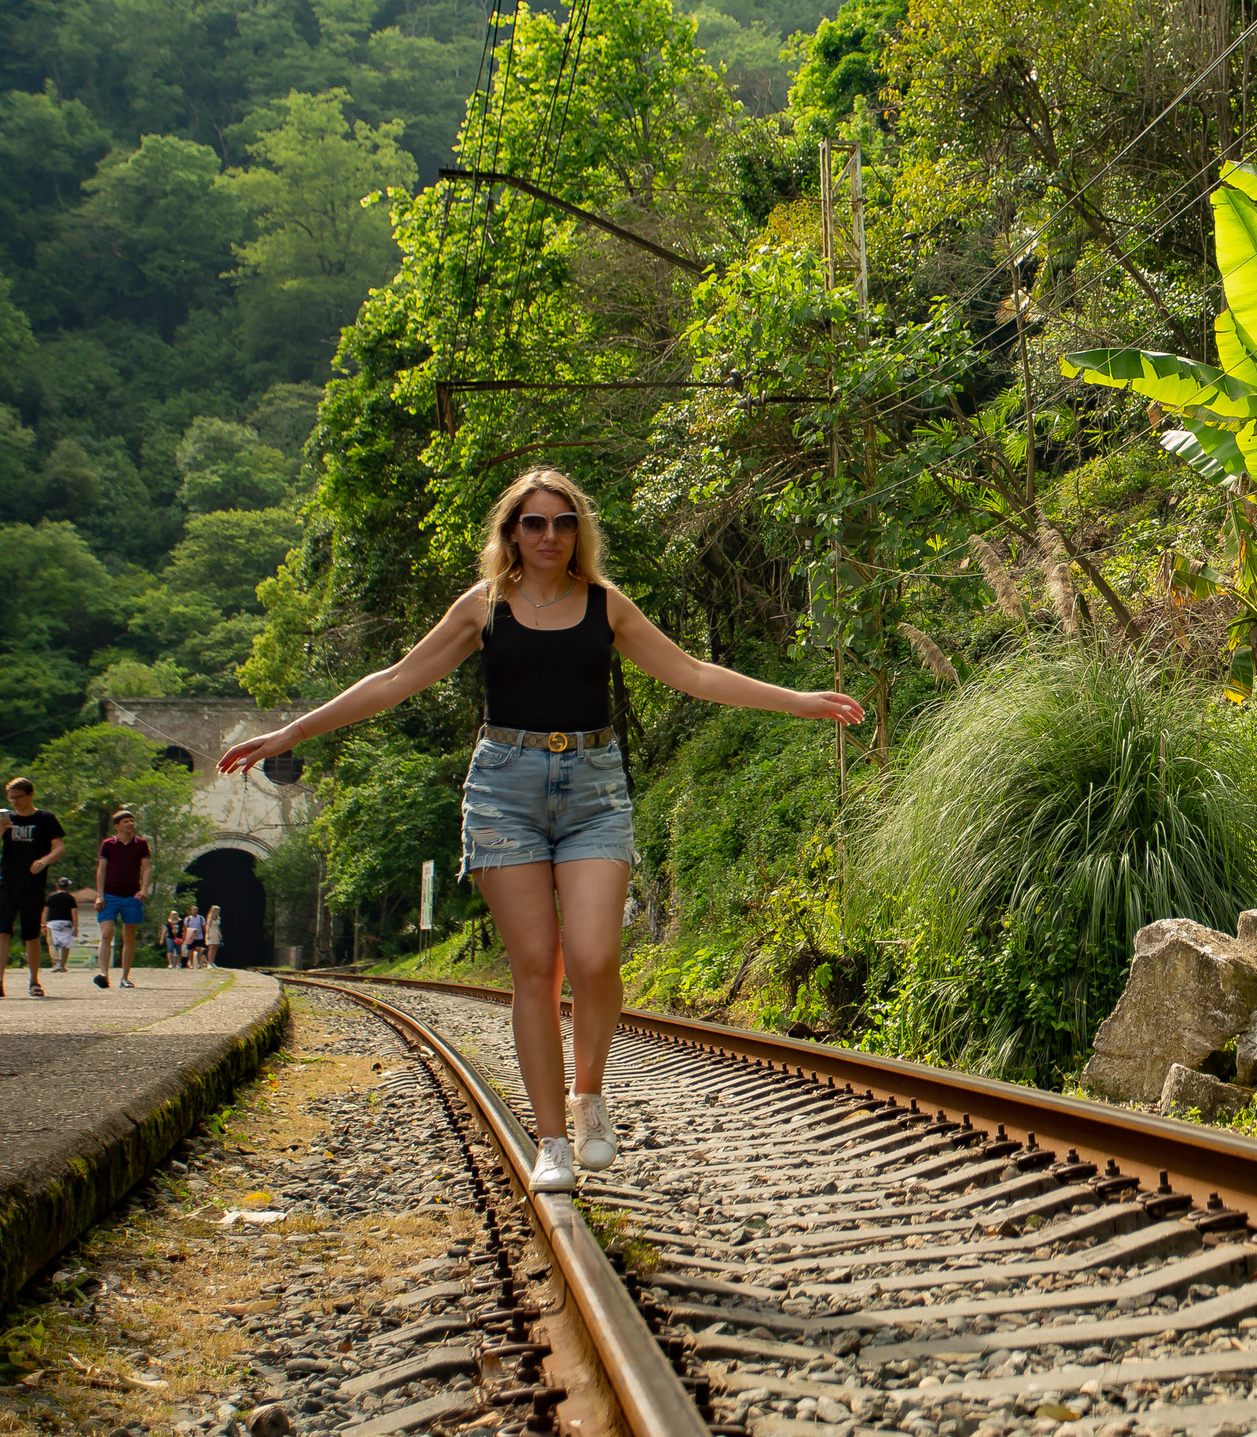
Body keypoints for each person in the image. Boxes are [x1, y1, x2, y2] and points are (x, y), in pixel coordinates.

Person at [219, 466, 862, 1193]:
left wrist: (800, 701)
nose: (549, 534)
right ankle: (550, 1138)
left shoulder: (605, 605)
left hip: (593, 789)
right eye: (534, 522)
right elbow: (395, 679)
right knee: (536, 970)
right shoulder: (482, 606)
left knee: (593, 958)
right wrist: (288, 733)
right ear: (511, 533)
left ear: (578, 530)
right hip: (503, 791)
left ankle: (589, 1096)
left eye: (562, 521)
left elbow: (693, 673)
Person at [3, 778, 67, 999]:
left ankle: (34, 980)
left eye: (18, 797)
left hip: (32, 884)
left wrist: (45, 861)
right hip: (7, 883)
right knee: (2, 932)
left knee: (30, 934)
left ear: (30, 795)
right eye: (11, 798)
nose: (14, 802)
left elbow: (59, 847)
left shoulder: (45, 818)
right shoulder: (6, 818)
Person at [94, 811, 151, 989]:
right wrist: (100, 894)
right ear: (117, 826)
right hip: (110, 895)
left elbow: (146, 868)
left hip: (131, 895)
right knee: (106, 933)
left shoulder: (141, 844)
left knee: (129, 937)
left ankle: (125, 977)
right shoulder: (108, 844)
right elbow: (101, 870)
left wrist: (144, 888)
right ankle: (104, 974)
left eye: (132, 821)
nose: (130, 823)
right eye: (126, 821)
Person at [44, 880, 75, 973]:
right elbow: (74, 913)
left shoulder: (51, 897)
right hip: (66, 922)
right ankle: (62, 964)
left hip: (52, 922)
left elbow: (45, 912)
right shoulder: (70, 898)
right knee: (65, 944)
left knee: (52, 943)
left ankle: (56, 963)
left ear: (58, 887)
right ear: (67, 887)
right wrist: (75, 926)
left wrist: (43, 925)